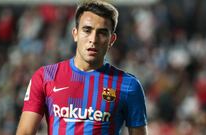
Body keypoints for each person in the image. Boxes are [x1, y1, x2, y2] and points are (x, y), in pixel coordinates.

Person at [16, 0, 148, 135]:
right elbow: (25, 132)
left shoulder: (129, 85)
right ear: (75, 34)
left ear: (111, 40)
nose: (93, 39)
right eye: (87, 30)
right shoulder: (45, 76)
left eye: (102, 33)